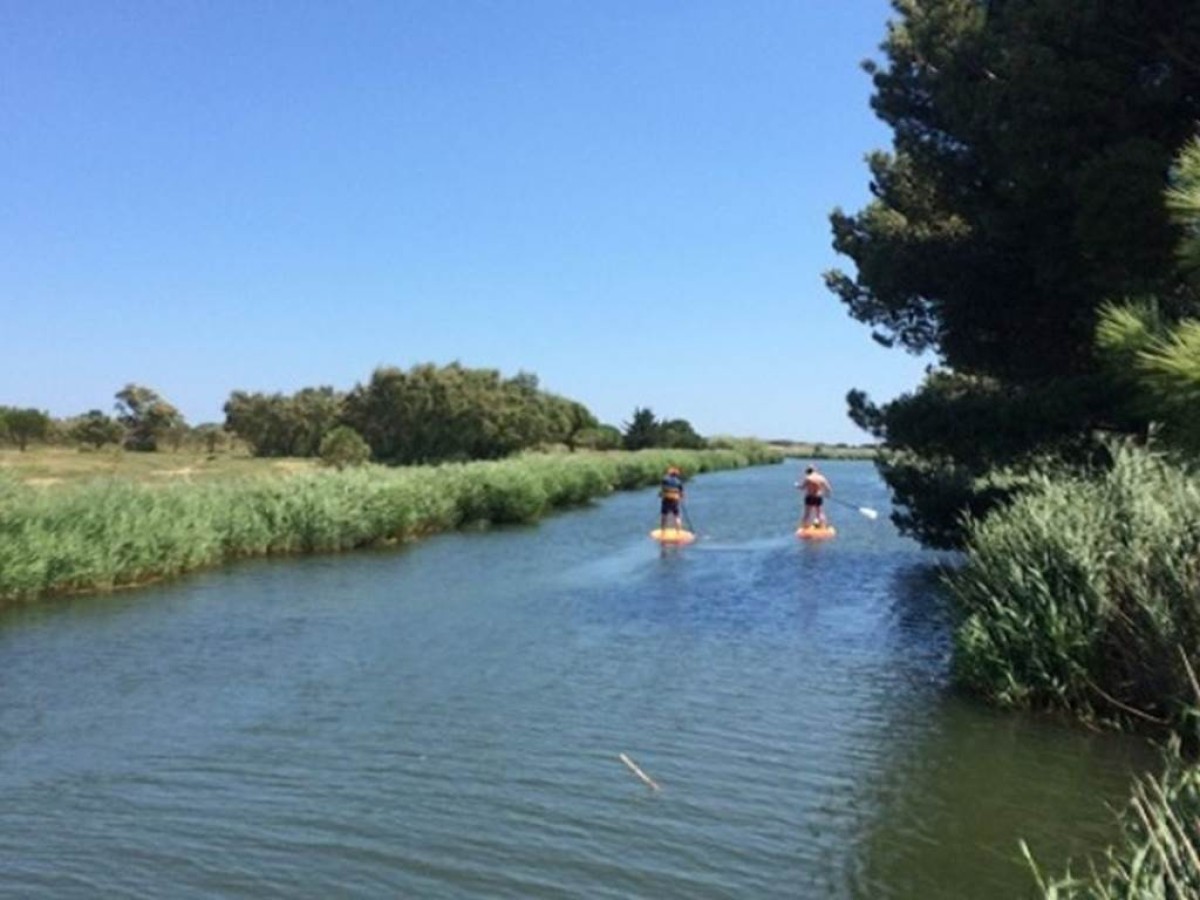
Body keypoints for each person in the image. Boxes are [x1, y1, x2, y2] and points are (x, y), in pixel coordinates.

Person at [660, 466, 685, 532]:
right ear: (677, 475)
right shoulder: (679, 482)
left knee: (664, 515)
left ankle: (663, 531)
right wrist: (681, 498)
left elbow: (662, 490)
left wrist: (660, 495)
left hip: (666, 500)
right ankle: (678, 532)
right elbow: (682, 493)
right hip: (675, 500)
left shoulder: (664, 480)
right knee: (677, 516)